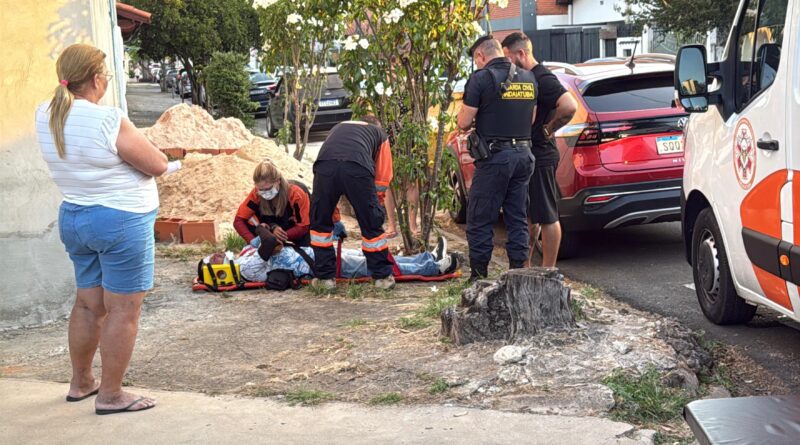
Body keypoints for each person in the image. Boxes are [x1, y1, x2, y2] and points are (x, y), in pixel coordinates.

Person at [36, 44, 181, 415]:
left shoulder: (46, 114)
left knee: (88, 304)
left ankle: (81, 381)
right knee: (123, 310)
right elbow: (155, 164)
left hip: (75, 217)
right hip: (120, 221)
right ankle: (112, 394)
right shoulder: (107, 119)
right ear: (97, 79)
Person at [456, 36, 538, 280]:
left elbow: (463, 122)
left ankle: (479, 276)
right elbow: (531, 119)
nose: (477, 65)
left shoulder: (481, 79)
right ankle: (516, 275)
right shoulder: (528, 77)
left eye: (476, 60)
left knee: (480, 218)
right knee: (517, 217)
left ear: (481, 56)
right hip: (524, 156)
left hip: (494, 158)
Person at [501, 32, 578, 267]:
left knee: (547, 215)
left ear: (521, 54)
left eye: (508, 57)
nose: (506, 64)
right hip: (528, 154)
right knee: (529, 216)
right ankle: (525, 268)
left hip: (542, 154)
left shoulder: (542, 78)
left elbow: (569, 105)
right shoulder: (525, 78)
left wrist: (549, 128)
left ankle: (548, 271)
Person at [309, 117, 395, 289]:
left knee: (320, 223)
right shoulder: (380, 134)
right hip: (357, 168)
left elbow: (330, 160)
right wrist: (374, 207)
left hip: (324, 167)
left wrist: (332, 214)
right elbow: (383, 177)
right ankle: (382, 278)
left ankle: (325, 279)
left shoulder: (338, 126)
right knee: (371, 226)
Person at [237, 232, 458, 283]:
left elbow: (265, 237)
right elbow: (266, 241)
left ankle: (427, 259)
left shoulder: (245, 253)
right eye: (213, 261)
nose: (216, 256)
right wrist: (266, 230)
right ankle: (434, 268)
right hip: (322, 265)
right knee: (370, 265)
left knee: (374, 257)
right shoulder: (246, 269)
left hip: (320, 254)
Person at [234, 160, 314, 247]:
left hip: (297, 230)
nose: (265, 193)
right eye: (261, 189)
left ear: (278, 181)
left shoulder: (296, 194)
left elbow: (303, 227)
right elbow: (239, 220)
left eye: (268, 188)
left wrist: (279, 237)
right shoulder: (256, 193)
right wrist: (251, 240)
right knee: (249, 220)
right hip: (273, 227)